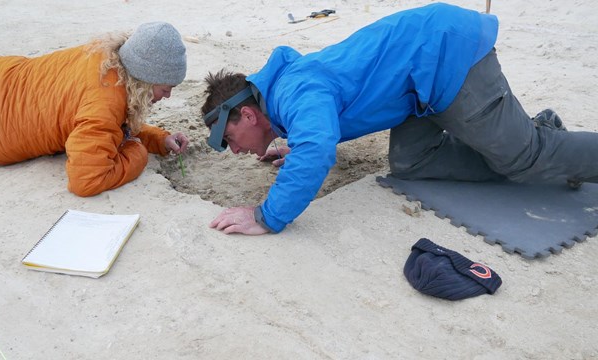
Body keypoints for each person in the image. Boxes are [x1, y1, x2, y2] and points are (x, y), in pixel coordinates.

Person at [200, 2, 598, 236]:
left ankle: (532, 143)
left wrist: (266, 217)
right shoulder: (286, 96)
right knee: (410, 163)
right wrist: (297, 142)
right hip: (417, 86)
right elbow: (318, 123)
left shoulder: (293, 92)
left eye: (230, 139)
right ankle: (525, 135)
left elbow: (318, 145)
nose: (234, 150)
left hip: (445, 58)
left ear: (249, 114)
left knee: (523, 159)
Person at [0, 22, 190, 196]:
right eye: (166, 88)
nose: (168, 96)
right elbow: (86, 181)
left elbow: (102, 122)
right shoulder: (105, 102)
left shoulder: (104, 56)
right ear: (147, 79)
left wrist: (159, 140)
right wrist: (137, 151)